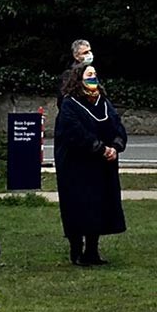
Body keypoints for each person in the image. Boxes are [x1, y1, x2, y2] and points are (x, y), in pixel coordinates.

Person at [54, 60, 128, 265]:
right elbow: (74, 132)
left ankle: (92, 251)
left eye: (95, 74)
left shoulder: (103, 102)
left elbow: (117, 125)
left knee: (99, 206)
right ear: (79, 79)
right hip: (77, 165)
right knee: (79, 206)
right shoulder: (70, 103)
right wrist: (98, 148)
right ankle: (77, 251)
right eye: (88, 75)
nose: (93, 78)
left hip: (102, 166)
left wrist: (115, 146)